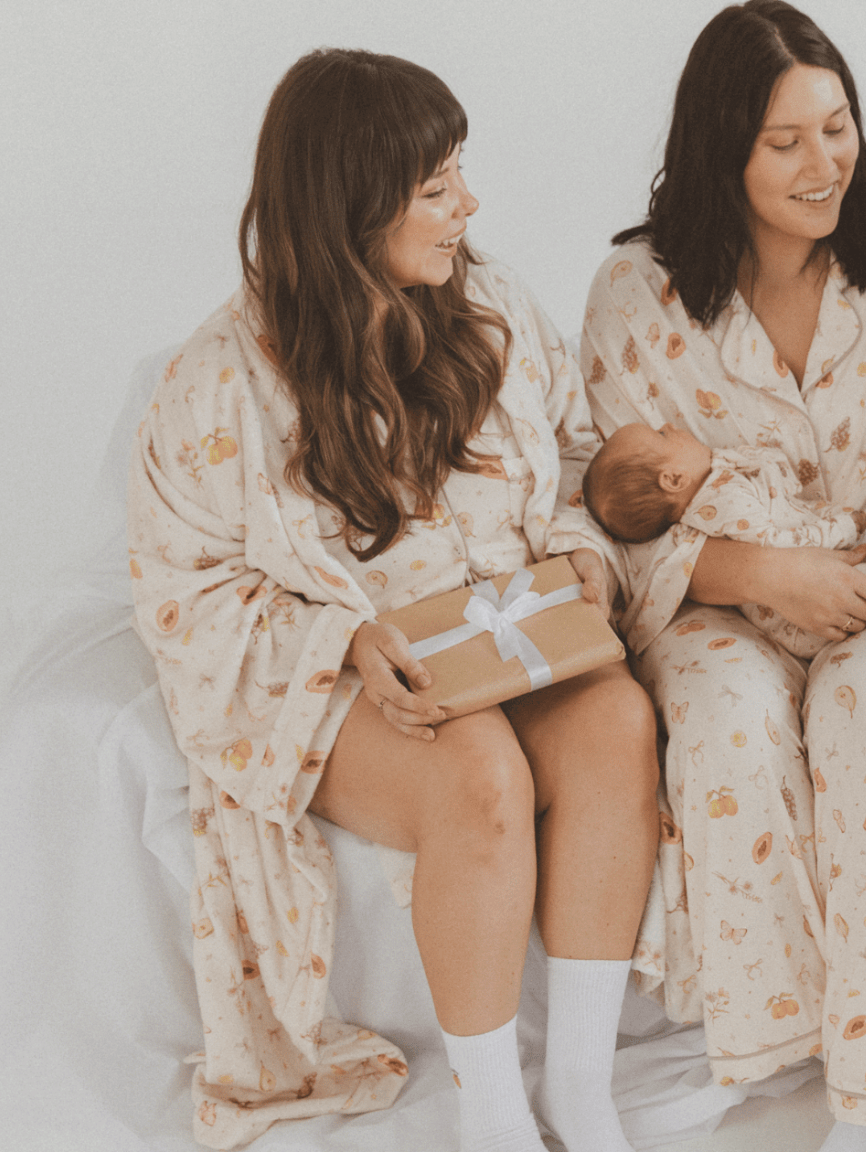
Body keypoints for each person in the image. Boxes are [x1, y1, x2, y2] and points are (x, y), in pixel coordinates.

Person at [127, 49, 658, 1152]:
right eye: (435, 188)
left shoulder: (494, 303)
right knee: (478, 770)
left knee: (614, 720)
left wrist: (580, 562)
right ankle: (495, 1116)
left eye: (459, 174)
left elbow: (570, 459)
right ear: (351, 205)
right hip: (363, 678)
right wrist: (345, 642)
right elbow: (190, 595)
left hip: (513, 638)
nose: (469, 204)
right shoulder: (219, 380)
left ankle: (579, 1091)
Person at [580, 3, 866, 1148]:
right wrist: (756, 572)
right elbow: (599, 512)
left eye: (836, 129)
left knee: (860, 718)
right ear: (719, 145)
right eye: (784, 141)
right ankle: (779, 1048)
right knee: (725, 719)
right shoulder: (633, 294)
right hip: (714, 592)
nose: (822, 163)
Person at [581, 421, 866, 657]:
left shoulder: (711, 495)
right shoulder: (722, 502)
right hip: (809, 602)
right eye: (661, 434)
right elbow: (783, 549)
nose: (671, 425)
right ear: (673, 479)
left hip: (821, 572)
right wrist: (844, 526)